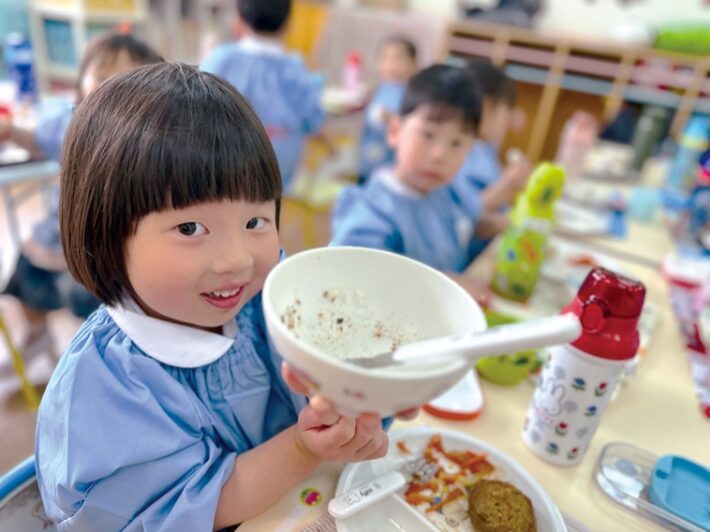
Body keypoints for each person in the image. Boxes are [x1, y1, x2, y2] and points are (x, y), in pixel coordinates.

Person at [35, 63, 411, 530]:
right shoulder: (109, 385)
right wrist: (301, 446)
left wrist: (365, 398)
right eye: (190, 228)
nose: (237, 260)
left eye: (255, 221)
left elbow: (326, 382)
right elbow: (177, 510)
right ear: (106, 234)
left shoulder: (265, 304)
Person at [0, 31, 162, 363]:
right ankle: (36, 336)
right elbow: (38, 140)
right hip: (54, 241)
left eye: (126, 80)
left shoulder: (144, 142)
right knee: (25, 282)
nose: (110, 87)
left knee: (103, 317)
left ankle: (102, 358)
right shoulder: (68, 123)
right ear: (81, 84)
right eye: (102, 77)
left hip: (103, 257)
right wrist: (12, 131)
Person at [331, 64, 523, 305]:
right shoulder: (370, 209)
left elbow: (472, 221)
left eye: (457, 143)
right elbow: (356, 276)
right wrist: (444, 282)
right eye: (428, 135)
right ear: (395, 131)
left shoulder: (449, 192)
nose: (439, 154)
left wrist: (511, 225)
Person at [200, 0, 328, 191]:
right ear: (287, 25)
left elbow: (195, 103)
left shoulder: (222, 59)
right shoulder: (296, 68)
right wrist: (331, 147)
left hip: (226, 168)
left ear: (239, 19)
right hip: (280, 171)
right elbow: (313, 120)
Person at [452, 59, 531, 258]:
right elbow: (465, 212)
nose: (508, 120)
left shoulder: (485, 148)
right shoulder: (463, 151)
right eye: (507, 109)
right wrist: (508, 185)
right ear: (487, 106)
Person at [357, 35, 418, 183]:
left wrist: (391, 117)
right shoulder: (381, 88)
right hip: (367, 161)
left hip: (389, 167)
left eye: (397, 59)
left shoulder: (411, 94)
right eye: (384, 58)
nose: (390, 64)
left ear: (413, 65)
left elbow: (410, 124)